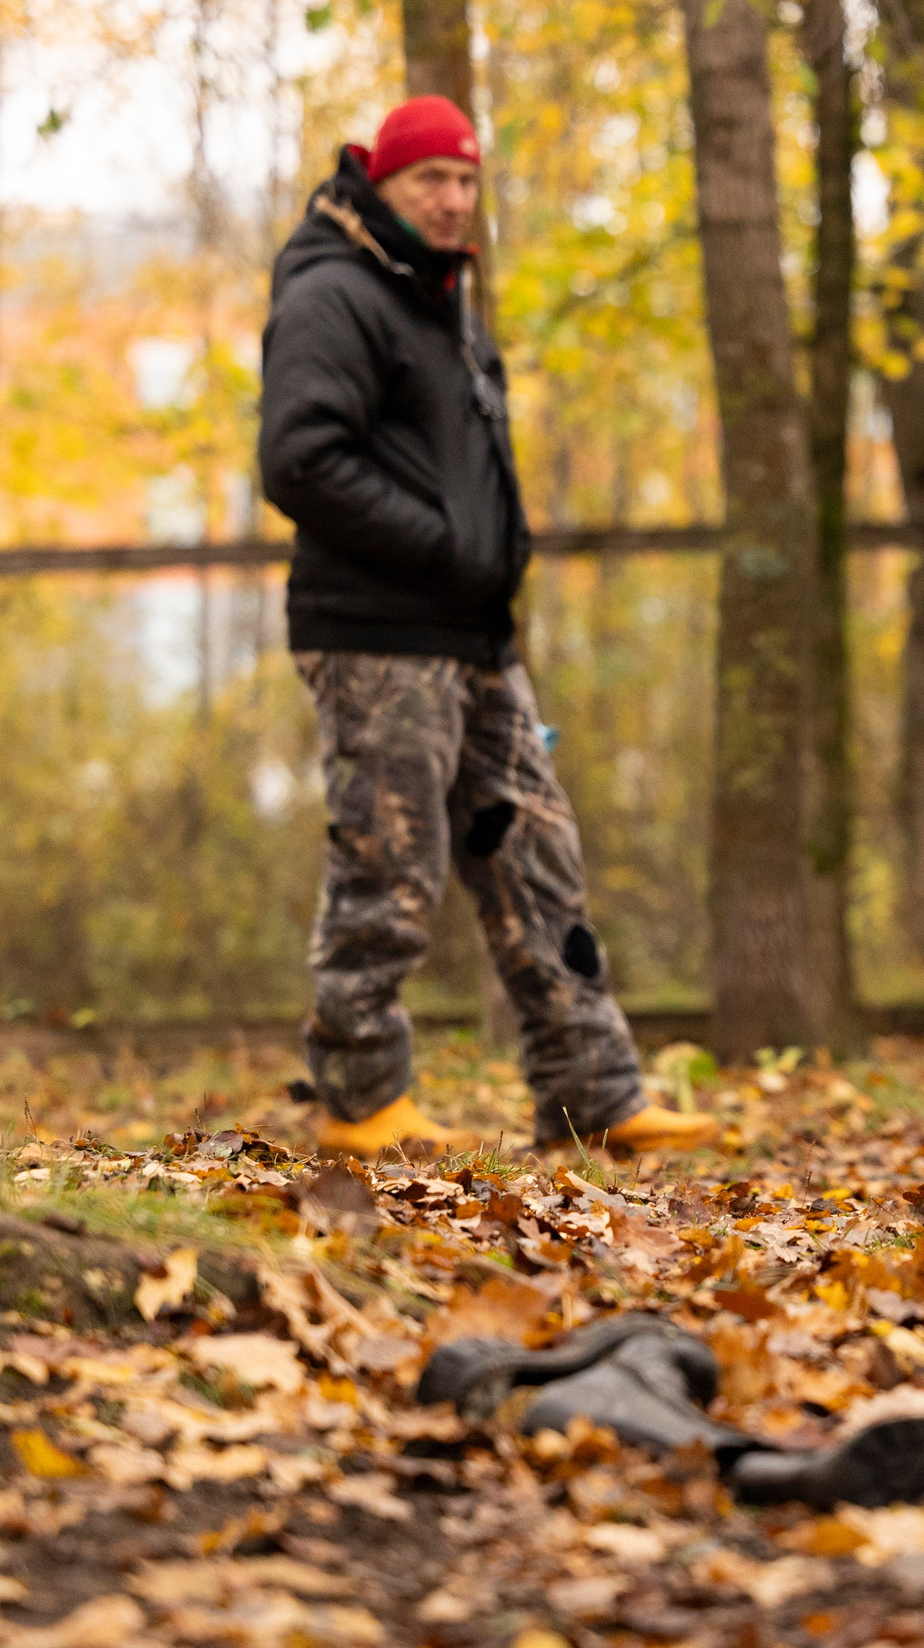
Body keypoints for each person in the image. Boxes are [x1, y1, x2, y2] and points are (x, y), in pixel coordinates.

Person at [258, 96, 714, 1159]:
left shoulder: (435, 299)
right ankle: (361, 1099)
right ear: (383, 182)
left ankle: (592, 1094)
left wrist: (482, 567)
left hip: (472, 640)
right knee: (391, 865)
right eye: (432, 181)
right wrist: (444, 547)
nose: (455, 200)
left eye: (467, 182)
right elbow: (299, 459)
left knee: (538, 860)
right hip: (377, 635)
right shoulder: (337, 293)